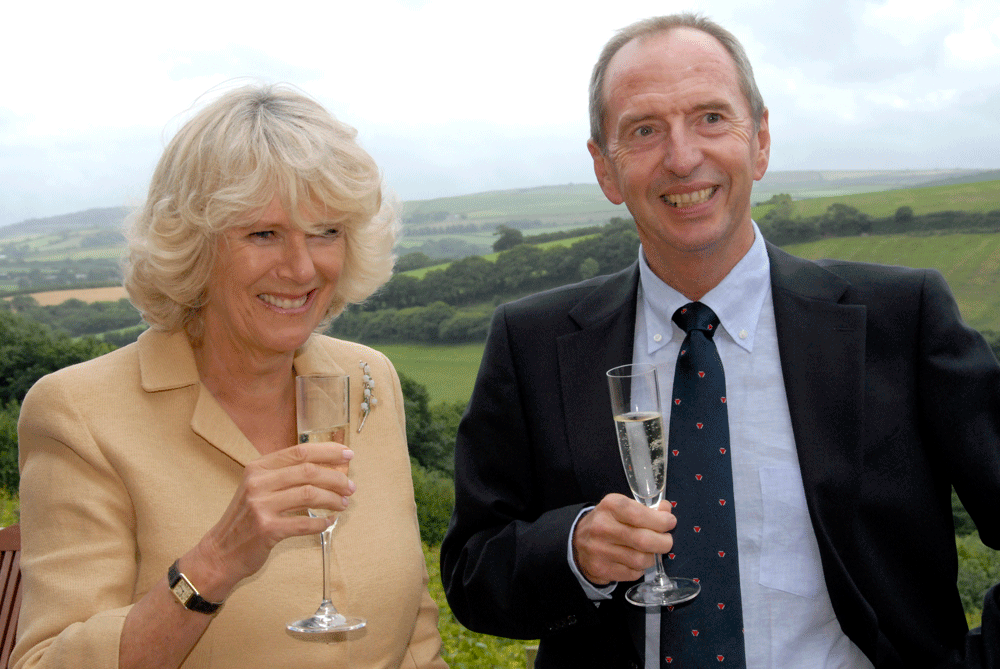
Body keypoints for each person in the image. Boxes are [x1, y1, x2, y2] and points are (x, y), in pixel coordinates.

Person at [440, 13, 1000, 669]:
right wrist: (573, 549)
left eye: (710, 118)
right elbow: (472, 573)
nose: (682, 158)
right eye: (644, 130)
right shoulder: (531, 341)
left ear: (759, 141)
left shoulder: (902, 319)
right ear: (605, 169)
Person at [14, 84, 447, 669]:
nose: (301, 268)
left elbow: (415, 637)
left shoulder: (368, 378)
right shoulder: (78, 413)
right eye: (263, 234)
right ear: (193, 246)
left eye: (326, 231)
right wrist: (216, 561)